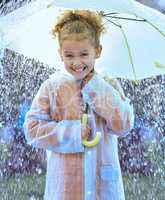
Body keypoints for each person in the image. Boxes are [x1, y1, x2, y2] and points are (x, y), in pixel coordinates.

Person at [24, 9, 134, 200]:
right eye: (69, 56)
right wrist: (72, 133)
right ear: (60, 54)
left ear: (97, 51)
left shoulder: (108, 83)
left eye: (84, 54)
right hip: (66, 187)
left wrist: (96, 88)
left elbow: (123, 125)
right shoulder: (52, 86)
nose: (77, 63)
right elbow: (31, 130)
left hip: (104, 188)